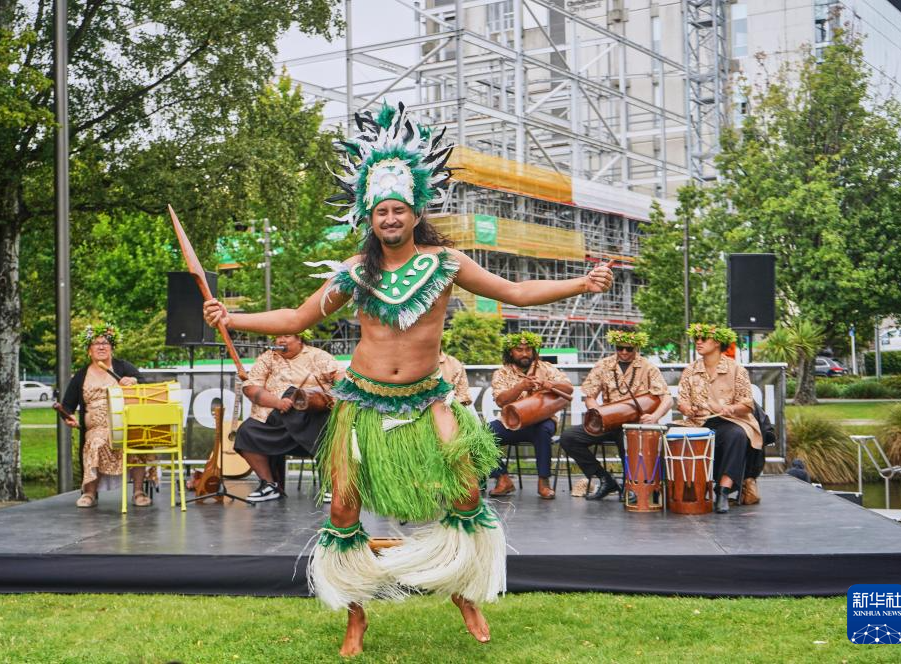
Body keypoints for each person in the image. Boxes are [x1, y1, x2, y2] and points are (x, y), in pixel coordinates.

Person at [203, 101, 613, 656]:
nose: (390, 219)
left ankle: (463, 589)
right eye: (381, 212)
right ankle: (356, 614)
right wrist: (234, 318)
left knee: (466, 493)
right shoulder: (355, 272)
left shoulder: (446, 263)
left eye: (399, 209)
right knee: (343, 508)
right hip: (364, 401)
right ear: (369, 218)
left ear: (416, 213)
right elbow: (297, 319)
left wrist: (580, 285)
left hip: (429, 399)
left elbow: (515, 292)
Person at [559, 329, 673, 500]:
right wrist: (597, 413)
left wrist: (655, 416)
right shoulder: (603, 365)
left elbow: (667, 399)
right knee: (569, 438)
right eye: (620, 348)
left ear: (637, 347)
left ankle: (631, 486)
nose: (624, 352)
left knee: (627, 438)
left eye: (629, 349)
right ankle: (605, 479)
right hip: (608, 422)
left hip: (634, 424)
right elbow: (590, 397)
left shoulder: (648, 367)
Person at [235, 330, 341, 502]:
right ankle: (269, 485)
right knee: (246, 432)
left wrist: (334, 393)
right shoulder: (267, 358)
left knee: (327, 427)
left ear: (300, 339)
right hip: (277, 417)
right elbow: (251, 387)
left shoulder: (318, 356)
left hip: (313, 417)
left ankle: (332, 485)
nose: (281, 340)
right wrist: (277, 402)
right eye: (278, 336)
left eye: (286, 336)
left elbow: (340, 376)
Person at [58, 323, 151, 508]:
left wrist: (132, 380)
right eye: (96, 343)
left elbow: (144, 384)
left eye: (105, 343)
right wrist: (68, 417)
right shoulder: (81, 375)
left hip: (124, 424)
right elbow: (67, 405)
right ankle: (89, 493)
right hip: (96, 429)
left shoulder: (123, 367)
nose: (101, 347)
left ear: (112, 348)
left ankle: (138, 492)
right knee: (95, 442)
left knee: (137, 441)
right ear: (89, 350)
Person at [676, 323, 763, 514]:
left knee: (737, 435)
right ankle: (676, 489)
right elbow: (681, 401)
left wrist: (729, 409)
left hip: (729, 421)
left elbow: (747, 404)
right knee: (668, 434)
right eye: (696, 338)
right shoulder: (690, 370)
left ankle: (723, 490)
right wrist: (687, 409)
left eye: (703, 338)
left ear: (717, 342)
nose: (698, 342)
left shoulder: (736, 369)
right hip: (697, 422)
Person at [488, 332, 573, 500]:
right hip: (511, 423)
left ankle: (543, 482)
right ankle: (502, 478)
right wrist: (520, 387)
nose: (525, 353)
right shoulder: (502, 373)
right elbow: (500, 401)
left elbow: (569, 389)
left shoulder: (546, 367)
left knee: (543, 431)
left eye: (528, 349)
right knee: (480, 436)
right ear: (510, 352)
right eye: (519, 350)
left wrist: (549, 384)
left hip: (541, 420)